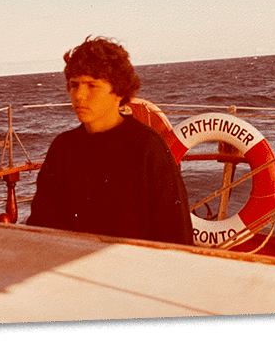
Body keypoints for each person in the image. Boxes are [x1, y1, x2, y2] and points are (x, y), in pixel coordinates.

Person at [27, 36, 193, 245]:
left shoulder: (147, 147)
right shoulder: (63, 148)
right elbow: (42, 225)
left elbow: (175, 232)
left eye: (91, 85)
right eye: (74, 85)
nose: (79, 95)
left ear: (119, 91)